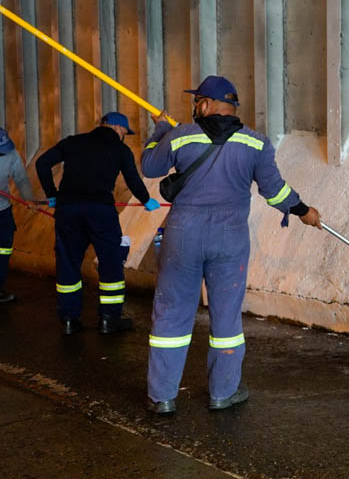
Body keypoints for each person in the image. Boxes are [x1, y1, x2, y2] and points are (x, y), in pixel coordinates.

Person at [141, 75, 321, 415]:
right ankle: (223, 393)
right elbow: (275, 191)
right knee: (225, 318)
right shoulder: (256, 143)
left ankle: (162, 396)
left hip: (184, 233)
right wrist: (302, 211)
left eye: (197, 102)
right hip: (230, 238)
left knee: (172, 315)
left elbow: (150, 166)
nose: (195, 108)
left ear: (206, 105)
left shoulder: (180, 136)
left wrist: (160, 131)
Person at [36, 112, 161, 334]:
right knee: (110, 262)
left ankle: (69, 320)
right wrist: (146, 200)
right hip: (100, 210)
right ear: (117, 128)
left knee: (68, 262)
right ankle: (109, 319)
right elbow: (133, 179)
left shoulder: (73, 142)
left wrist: (52, 195)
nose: (124, 136)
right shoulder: (120, 150)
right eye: (125, 132)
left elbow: (42, 163)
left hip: (68, 209)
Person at [0, 127, 37, 304]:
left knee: (4, 249)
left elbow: (21, 178)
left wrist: (28, 198)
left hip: (3, 211)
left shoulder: (12, 155)